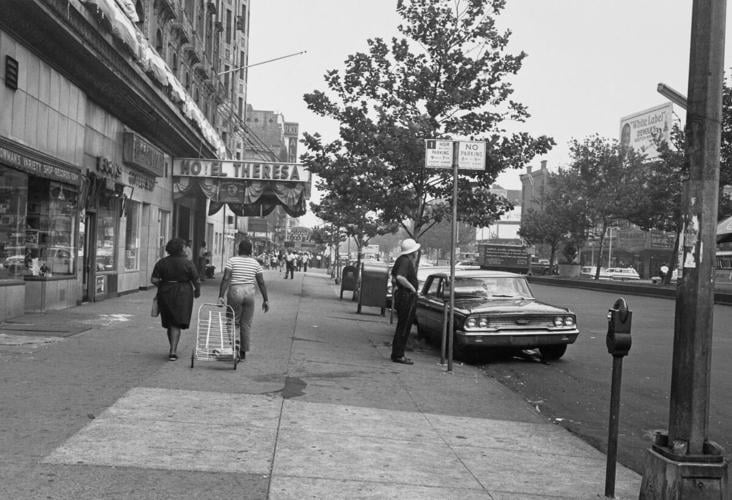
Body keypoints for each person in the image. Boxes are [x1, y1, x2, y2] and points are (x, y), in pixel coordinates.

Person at [218, 239, 270, 359]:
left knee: (232, 321)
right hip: (250, 293)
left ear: (238, 249)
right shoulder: (255, 263)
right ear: (250, 251)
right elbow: (261, 282)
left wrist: (221, 296)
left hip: (235, 291)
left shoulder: (232, 261)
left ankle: (234, 348)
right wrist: (265, 299)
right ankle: (243, 352)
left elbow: (226, 278)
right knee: (246, 323)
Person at [151, 238, 201, 361]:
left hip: (166, 292)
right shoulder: (188, 263)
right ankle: (173, 351)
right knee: (176, 322)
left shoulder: (162, 262)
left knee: (170, 322)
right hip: (183, 293)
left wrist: (163, 285)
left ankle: (172, 348)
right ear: (180, 249)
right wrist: (197, 291)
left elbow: (154, 280)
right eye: (184, 247)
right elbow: (196, 279)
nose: (186, 249)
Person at [390, 238, 420, 365]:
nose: (417, 253)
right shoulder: (406, 262)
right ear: (413, 252)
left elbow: (393, 277)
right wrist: (412, 288)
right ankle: (399, 354)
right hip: (406, 296)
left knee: (402, 325)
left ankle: (397, 353)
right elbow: (400, 277)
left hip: (401, 295)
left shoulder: (400, 260)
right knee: (404, 326)